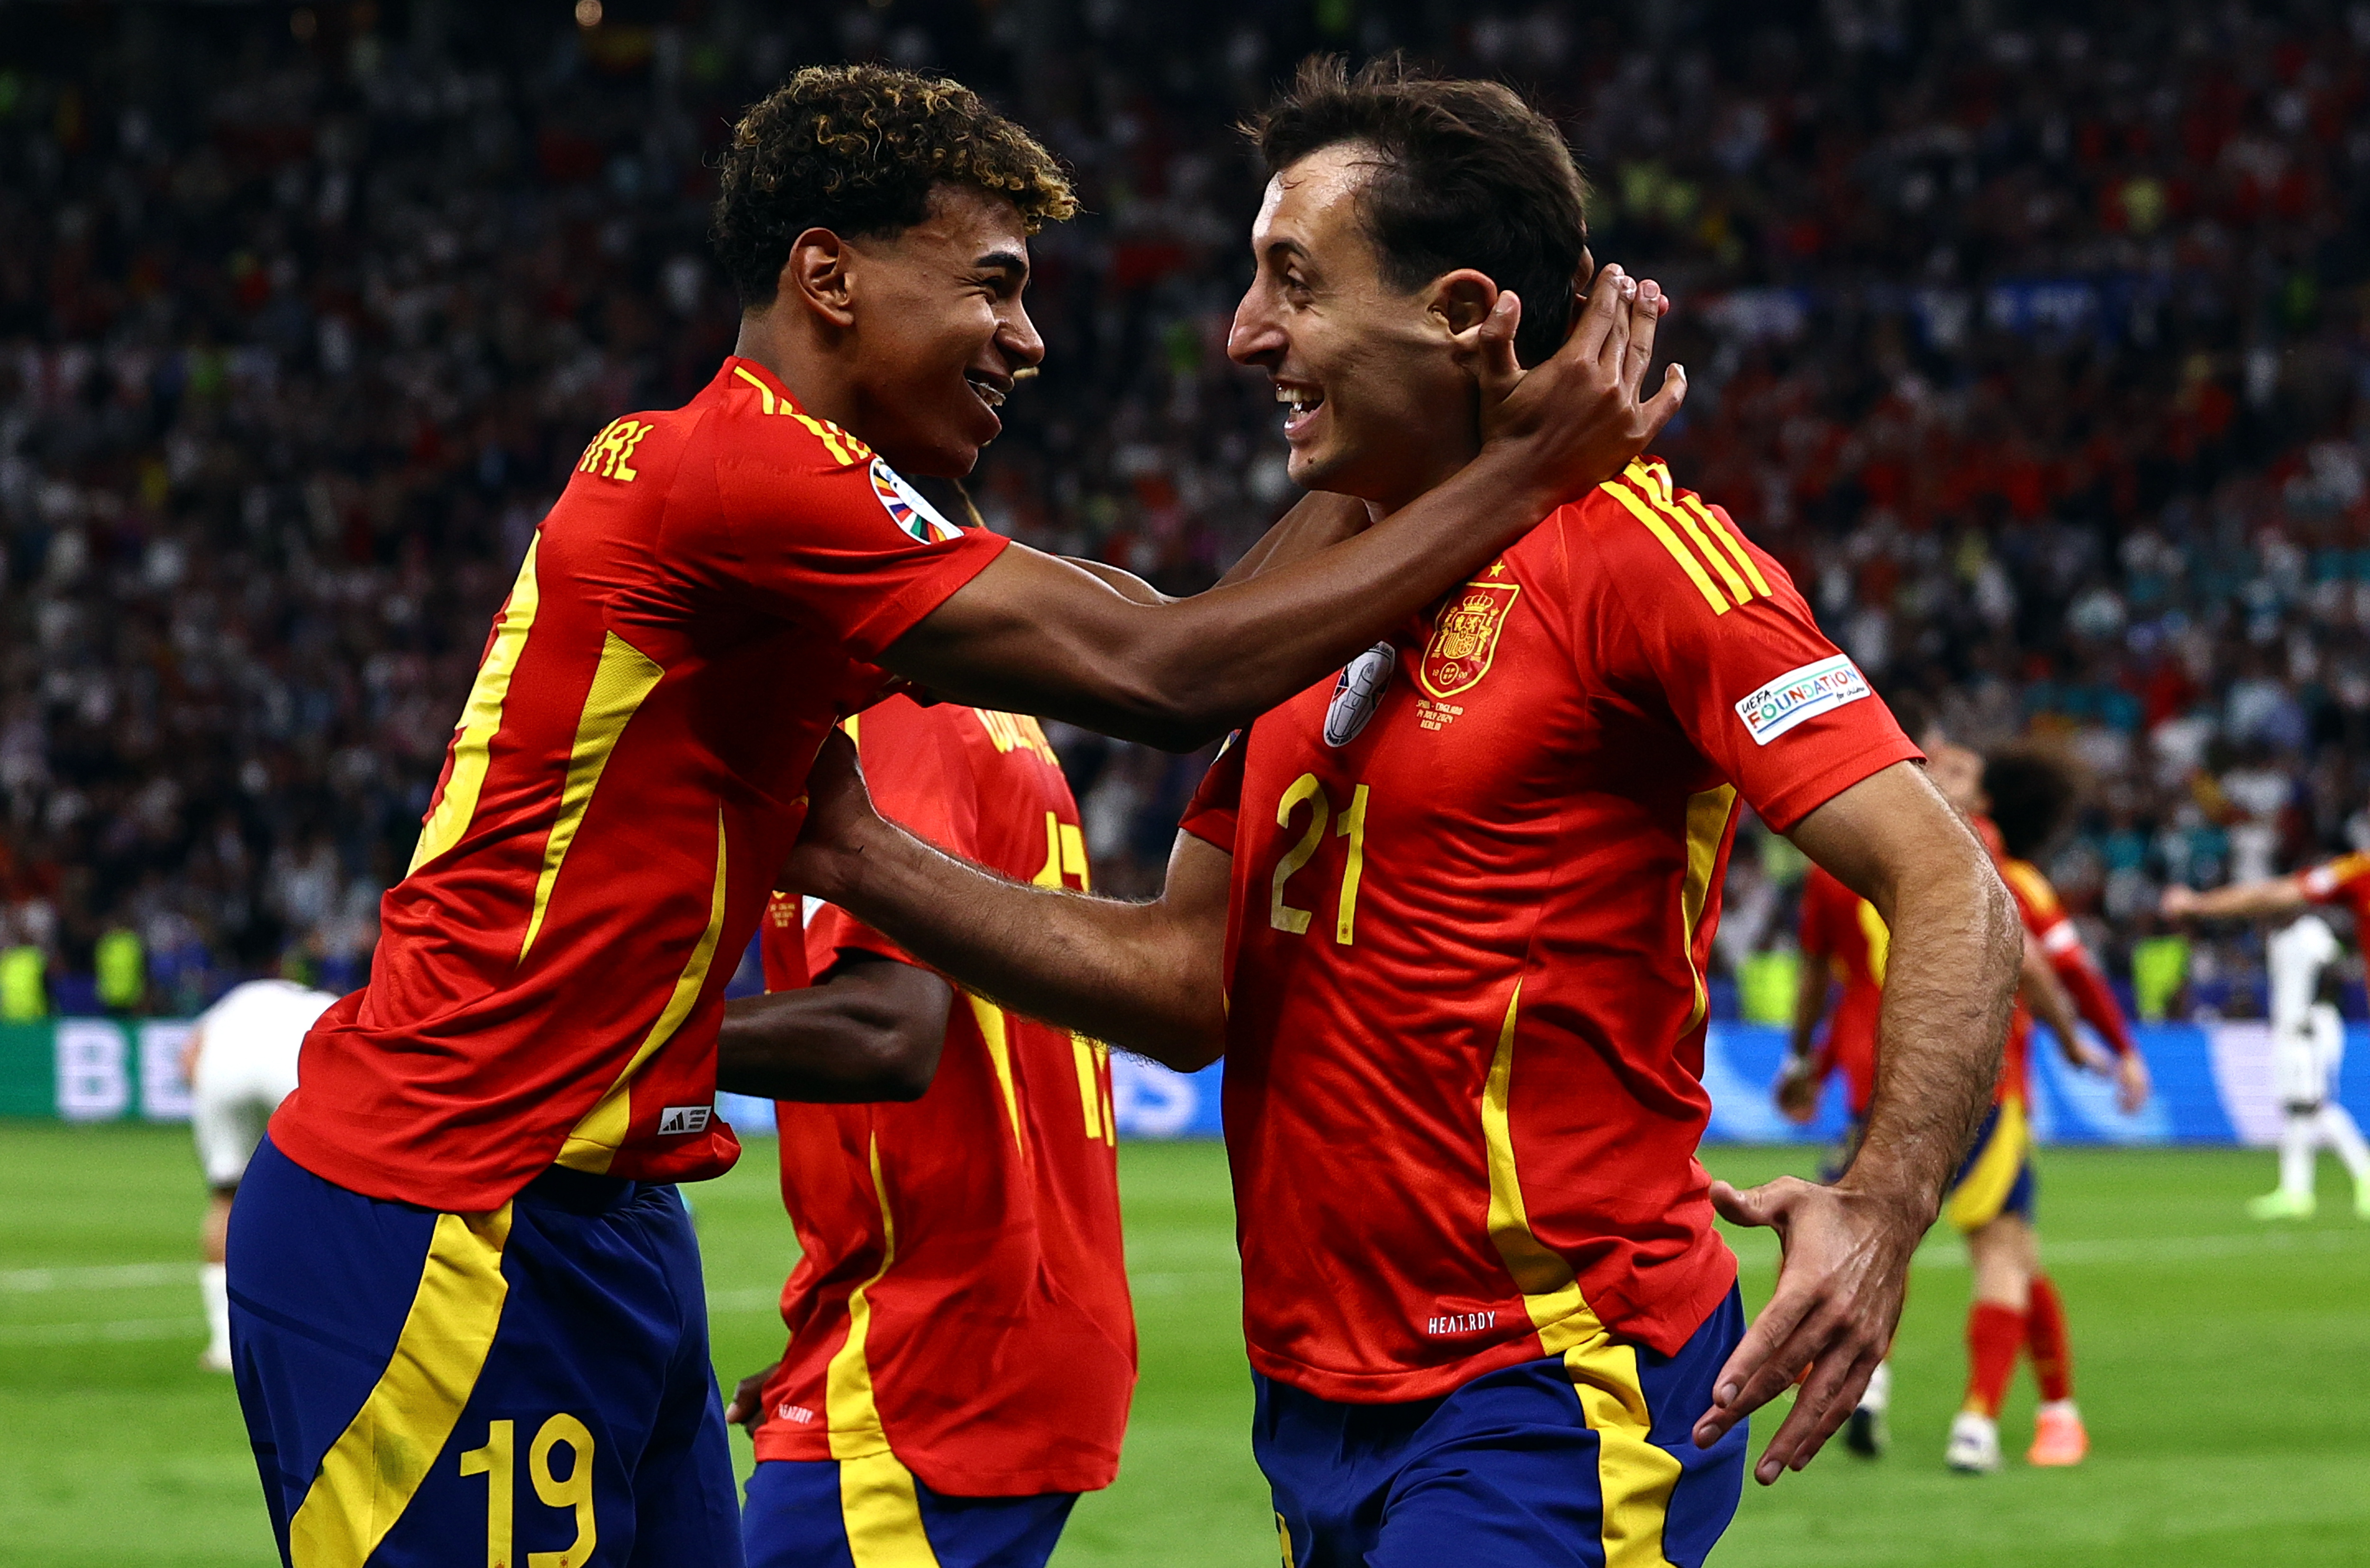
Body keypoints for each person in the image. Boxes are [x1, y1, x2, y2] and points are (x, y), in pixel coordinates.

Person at [222, 62, 1686, 1568]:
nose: (1027, 337)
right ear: (828, 277)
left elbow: (1198, 623)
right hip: (446, 1199)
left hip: (607, 1215)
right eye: (992, 284)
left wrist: (1414, 440)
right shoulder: (748, 478)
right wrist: (1517, 467)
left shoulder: (804, 493)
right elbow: (1170, 674)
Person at [774, 58, 2019, 1565]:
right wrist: (857, 852)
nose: (1244, 336)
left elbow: (1949, 881)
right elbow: (1183, 980)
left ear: (1463, 313)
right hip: (1316, 1398)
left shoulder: (1637, 556)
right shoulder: (1315, 602)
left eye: (1290, 281)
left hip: (1550, 1378)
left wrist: (1883, 1207)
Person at [713, 694, 1132, 1568]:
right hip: (979, 1316)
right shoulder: (985, 709)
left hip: (931, 1353)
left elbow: (888, 1028)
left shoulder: (890, 710)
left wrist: (607, 1034)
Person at [1924, 744, 2150, 1474]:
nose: (1933, 771)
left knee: (2000, 1247)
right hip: (1914, 1084)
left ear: (1986, 803)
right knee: (2014, 1251)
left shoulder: (2007, 877)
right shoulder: (1901, 850)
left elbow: (2067, 969)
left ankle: (1979, 1421)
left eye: (1957, 771)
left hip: (1990, 1087)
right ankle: (2057, 1412)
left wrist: (2116, 1048)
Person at [2161, 859, 2370, 1219]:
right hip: (2289, 1028)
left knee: (2313, 1105)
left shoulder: (2311, 931)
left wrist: (2310, 1012)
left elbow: (2333, 974)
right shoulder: (2279, 937)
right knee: (2295, 1110)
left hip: (2311, 1027)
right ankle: (2296, 1191)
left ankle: (2365, 1175)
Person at [1773, 862, 1893, 1456]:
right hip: (1969, 1071)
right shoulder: (1970, 842)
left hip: (1873, 1069)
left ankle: (1857, 1382)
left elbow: (1819, 976)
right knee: (2003, 1243)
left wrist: (1802, 1065)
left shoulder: (1832, 870)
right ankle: (1993, 1419)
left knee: (1845, 1224)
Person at [181, 976, 340, 1372]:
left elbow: (188, 1057)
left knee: (225, 1198)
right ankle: (323, 1331)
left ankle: (224, 1346)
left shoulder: (233, 1003)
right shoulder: (326, 1002)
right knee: (328, 1194)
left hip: (223, 1065)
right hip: (293, 1056)